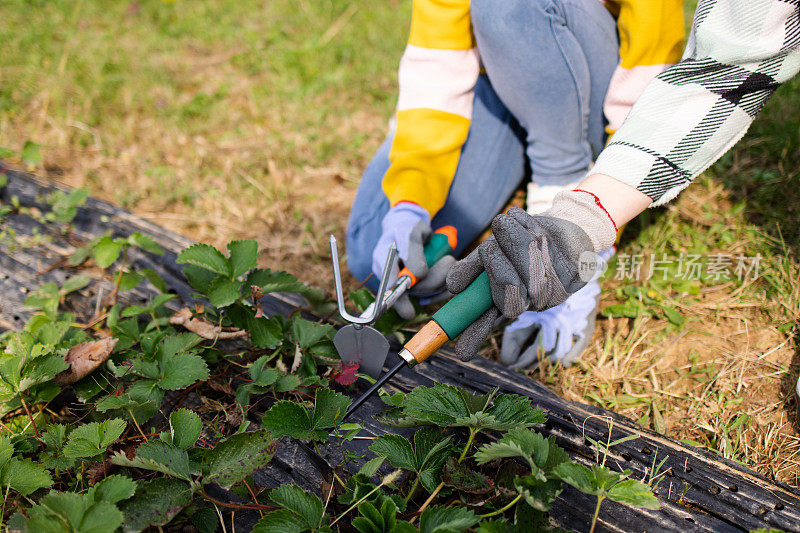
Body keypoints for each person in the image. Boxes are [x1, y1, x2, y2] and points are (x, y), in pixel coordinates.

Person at [445, 0, 800, 361]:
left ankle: (561, 172)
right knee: (387, 229)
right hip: (495, 79)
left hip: (605, 80)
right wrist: (581, 220)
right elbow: (727, 67)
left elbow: (657, 51)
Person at [346, 0, 685, 367]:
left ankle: (562, 170)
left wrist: (586, 227)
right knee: (372, 259)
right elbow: (437, 71)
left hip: (597, 75)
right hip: (499, 77)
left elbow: (654, 58)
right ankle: (529, 147)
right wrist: (410, 203)